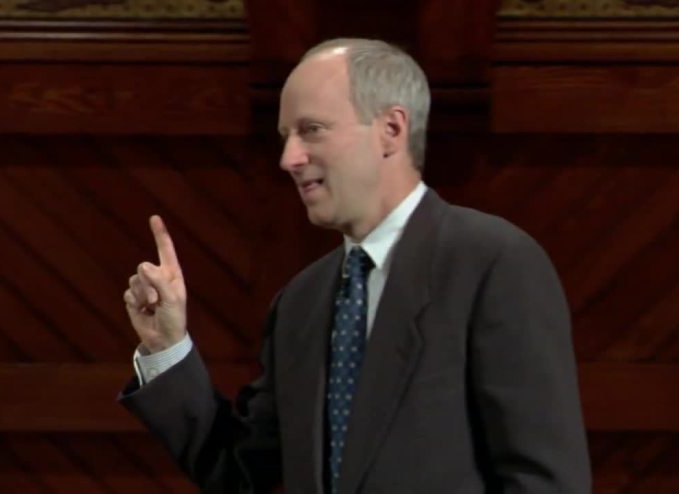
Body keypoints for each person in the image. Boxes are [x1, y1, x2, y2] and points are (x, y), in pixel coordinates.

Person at [119, 38, 591, 493]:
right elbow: (238, 471)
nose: (288, 158)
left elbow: (546, 481)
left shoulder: (493, 264)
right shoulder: (301, 302)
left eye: (311, 129)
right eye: (285, 137)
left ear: (391, 130)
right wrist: (166, 348)